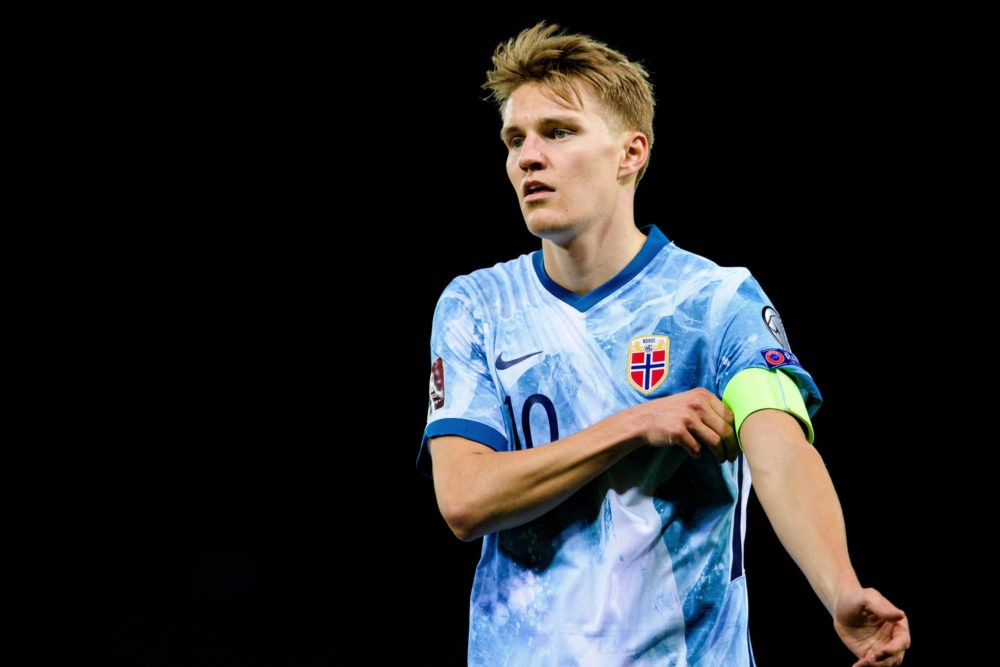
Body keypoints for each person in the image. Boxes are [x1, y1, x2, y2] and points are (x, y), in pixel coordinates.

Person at [417, 21, 910, 667]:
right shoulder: (478, 305)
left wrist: (840, 586)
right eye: (515, 139)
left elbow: (779, 450)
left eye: (558, 132)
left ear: (630, 154)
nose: (527, 157)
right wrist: (633, 424)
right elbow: (464, 499)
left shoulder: (715, 300)